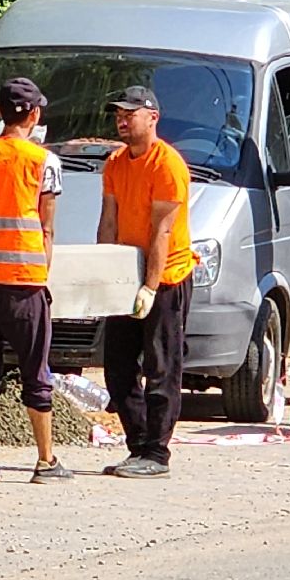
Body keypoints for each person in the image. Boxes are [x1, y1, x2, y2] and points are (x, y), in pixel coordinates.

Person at [0, 77, 69, 484]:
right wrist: (44, 275)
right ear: (35, 114)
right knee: (34, 369)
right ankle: (45, 460)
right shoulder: (44, 161)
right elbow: (47, 228)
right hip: (23, 279)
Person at [96, 85, 196, 479]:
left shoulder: (167, 164)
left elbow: (162, 232)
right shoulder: (116, 163)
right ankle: (137, 446)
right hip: (125, 274)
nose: (122, 120)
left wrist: (151, 288)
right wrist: (102, 275)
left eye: (130, 113)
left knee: (161, 365)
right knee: (118, 367)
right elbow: (108, 220)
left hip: (166, 276)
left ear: (152, 116)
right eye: (118, 114)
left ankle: (156, 452)